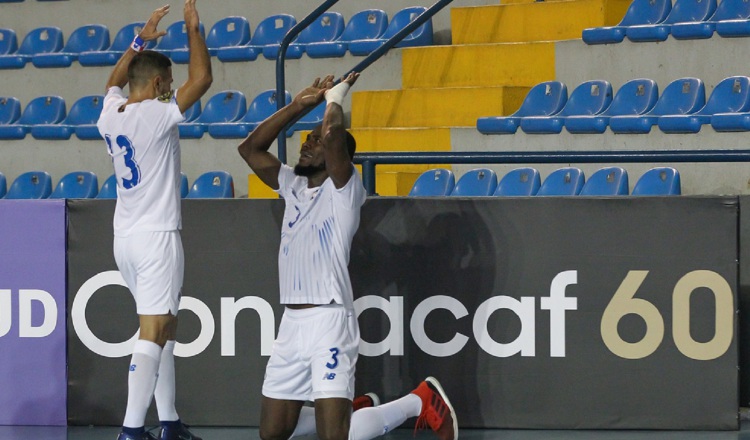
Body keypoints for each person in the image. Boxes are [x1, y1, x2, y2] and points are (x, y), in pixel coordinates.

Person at [237, 73, 458, 440]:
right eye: (307, 141)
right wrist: (298, 106)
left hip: (329, 321)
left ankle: (418, 401)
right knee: (272, 432)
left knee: (335, 437)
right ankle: (348, 411)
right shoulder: (291, 184)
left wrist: (335, 99)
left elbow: (335, 137)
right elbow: (250, 149)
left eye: (316, 142)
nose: (308, 146)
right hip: (291, 322)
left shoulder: (345, 192)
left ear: (336, 155)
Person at [96, 2, 212, 440]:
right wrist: (192, 29)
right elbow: (204, 79)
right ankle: (131, 431)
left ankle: (168, 422)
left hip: (124, 236)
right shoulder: (159, 113)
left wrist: (139, 40)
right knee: (155, 329)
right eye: (169, 83)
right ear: (161, 84)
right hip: (157, 235)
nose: (173, 89)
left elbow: (112, 81)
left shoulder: (112, 112)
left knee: (165, 325)